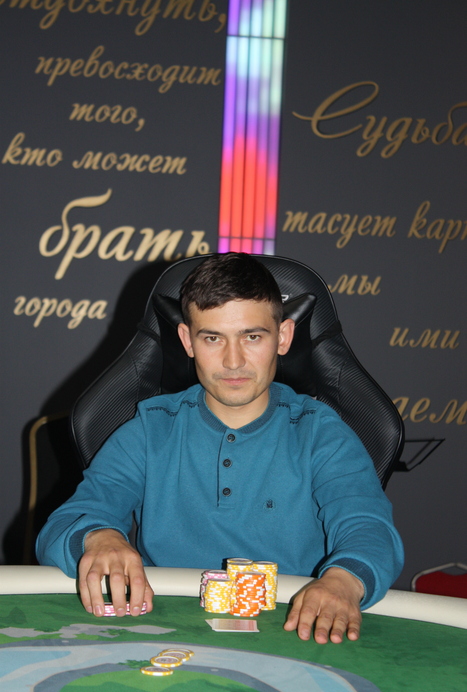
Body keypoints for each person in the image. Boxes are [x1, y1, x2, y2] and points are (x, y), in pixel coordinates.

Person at [36, 252, 404, 644]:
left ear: (283, 337)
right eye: (212, 338)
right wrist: (99, 537)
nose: (233, 361)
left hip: (294, 633)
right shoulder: (149, 429)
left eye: (252, 337)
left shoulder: (322, 434)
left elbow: (369, 528)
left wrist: (343, 581)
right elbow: (62, 526)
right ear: (186, 340)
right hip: (161, 632)